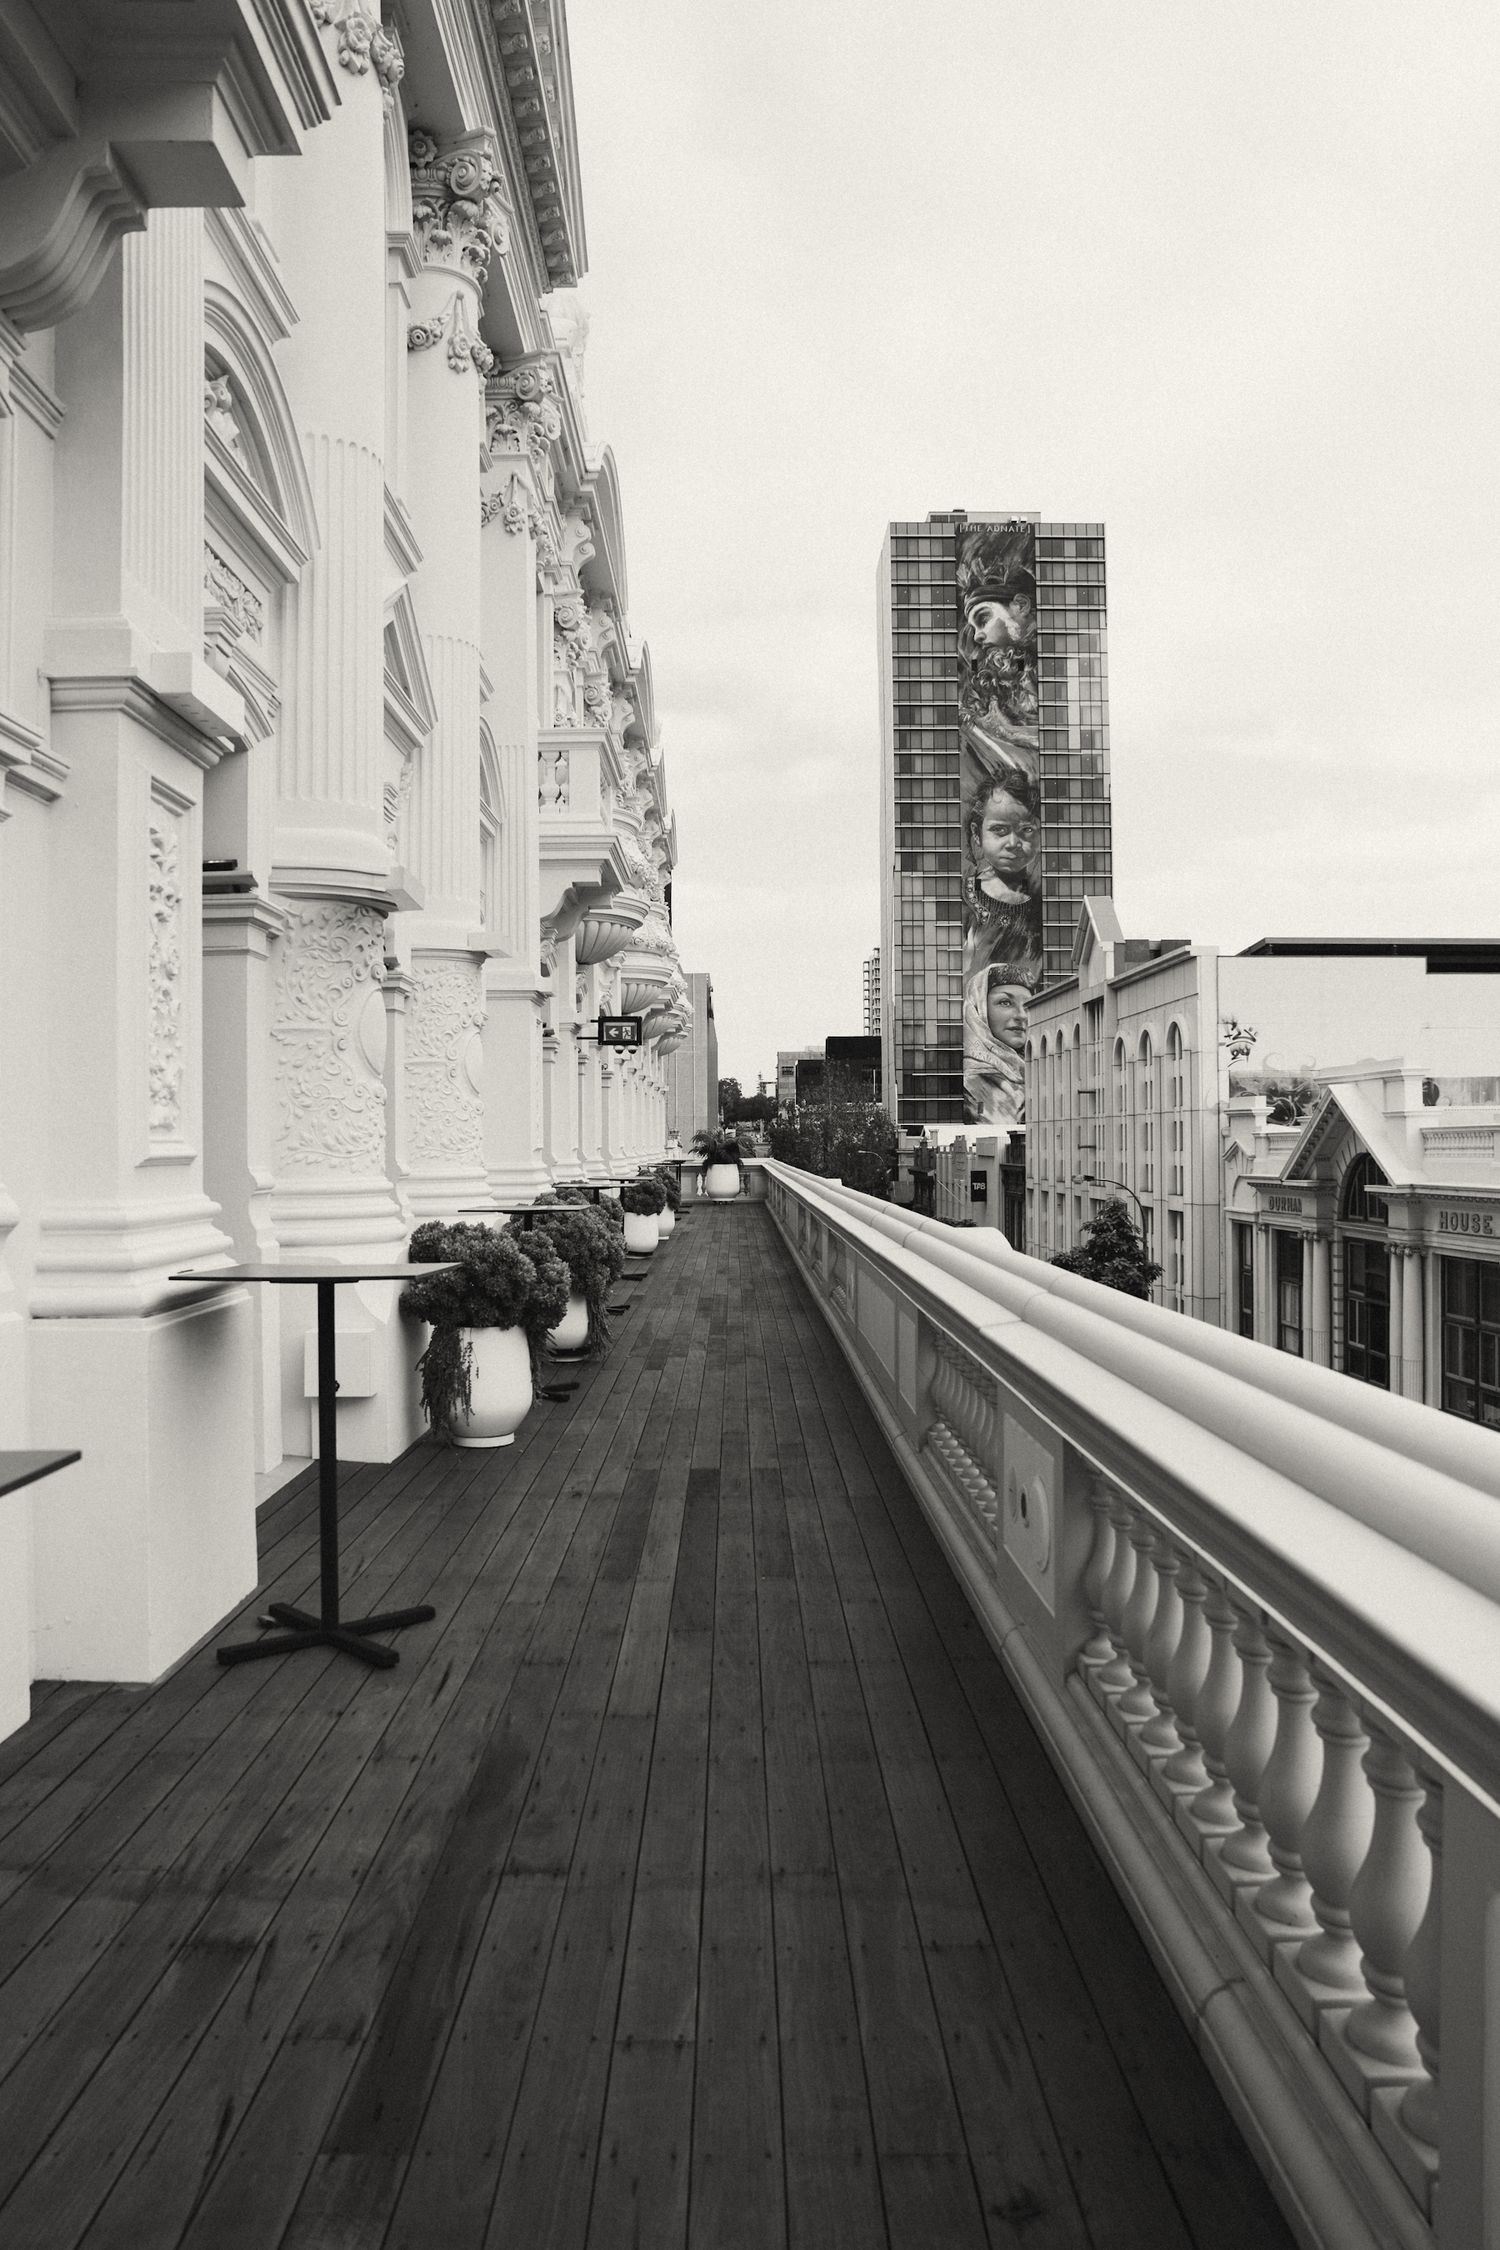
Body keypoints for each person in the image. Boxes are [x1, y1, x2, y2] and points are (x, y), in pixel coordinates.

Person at [963, 961, 1034, 1128]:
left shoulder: (1041, 1072)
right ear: (978, 1009)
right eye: (1006, 1002)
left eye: (1028, 1005)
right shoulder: (969, 1083)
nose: (1021, 1015)